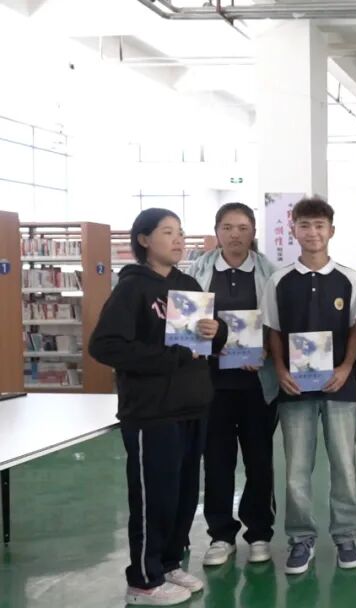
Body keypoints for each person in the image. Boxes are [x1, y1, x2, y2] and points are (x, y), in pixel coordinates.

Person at [90, 208, 226, 606]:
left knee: (183, 495)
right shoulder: (132, 289)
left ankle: (168, 564)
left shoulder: (188, 285)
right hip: (152, 412)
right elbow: (105, 346)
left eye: (180, 232)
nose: (178, 239)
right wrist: (170, 357)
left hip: (193, 405)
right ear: (144, 240)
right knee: (155, 497)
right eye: (168, 232)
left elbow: (210, 340)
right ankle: (143, 580)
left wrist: (217, 331)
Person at [262, 196, 356, 575]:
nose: (312, 232)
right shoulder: (279, 281)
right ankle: (300, 538)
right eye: (304, 225)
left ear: (331, 231)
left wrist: (346, 367)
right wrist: (280, 370)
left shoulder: (349, 278)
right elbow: (273, 331)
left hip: (340, 386)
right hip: (295, 389)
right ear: (293, 231)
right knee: (297, 469)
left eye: (319, 225)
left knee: (345, 465)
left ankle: (346, 535)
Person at [187, 202, 280, 567]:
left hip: (258, 384)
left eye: (242, 227)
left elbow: (280, 324)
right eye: (227, 227)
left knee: (260, 460)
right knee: (217, 462)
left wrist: (268, 351)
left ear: (253, 231)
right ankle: (221, 535)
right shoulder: (198, 270)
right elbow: (185, 324)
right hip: (212, 385)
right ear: (217, 231)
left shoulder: (270, 272)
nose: (235, 234)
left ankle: (259, 533)